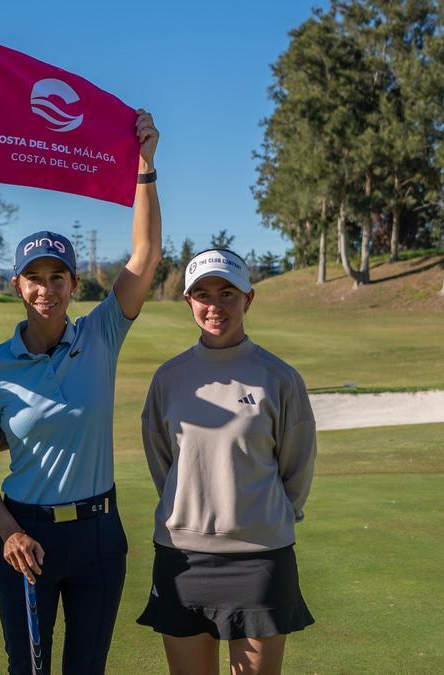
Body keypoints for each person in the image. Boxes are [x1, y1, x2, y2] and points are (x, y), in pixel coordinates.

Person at [0, 110, 161, 674]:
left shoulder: (101, 335)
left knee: (86, 669)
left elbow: (144, 258)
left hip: (99, 534)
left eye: (57, 277)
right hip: (27, 535)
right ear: (17, 285)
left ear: (75, 284)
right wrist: (9, 532)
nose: (45, 289)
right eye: (34, 278)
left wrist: (145, 168)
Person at [136, 249, 317, 675]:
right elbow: (163, 464)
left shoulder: (279, 377)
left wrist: (260, 520)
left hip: (260, 558)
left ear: (248, 299)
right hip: (183, 558)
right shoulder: (168, 377)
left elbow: (296, 469)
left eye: (227, 293)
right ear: (189, 302)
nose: (215, 306)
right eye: (203, 294)